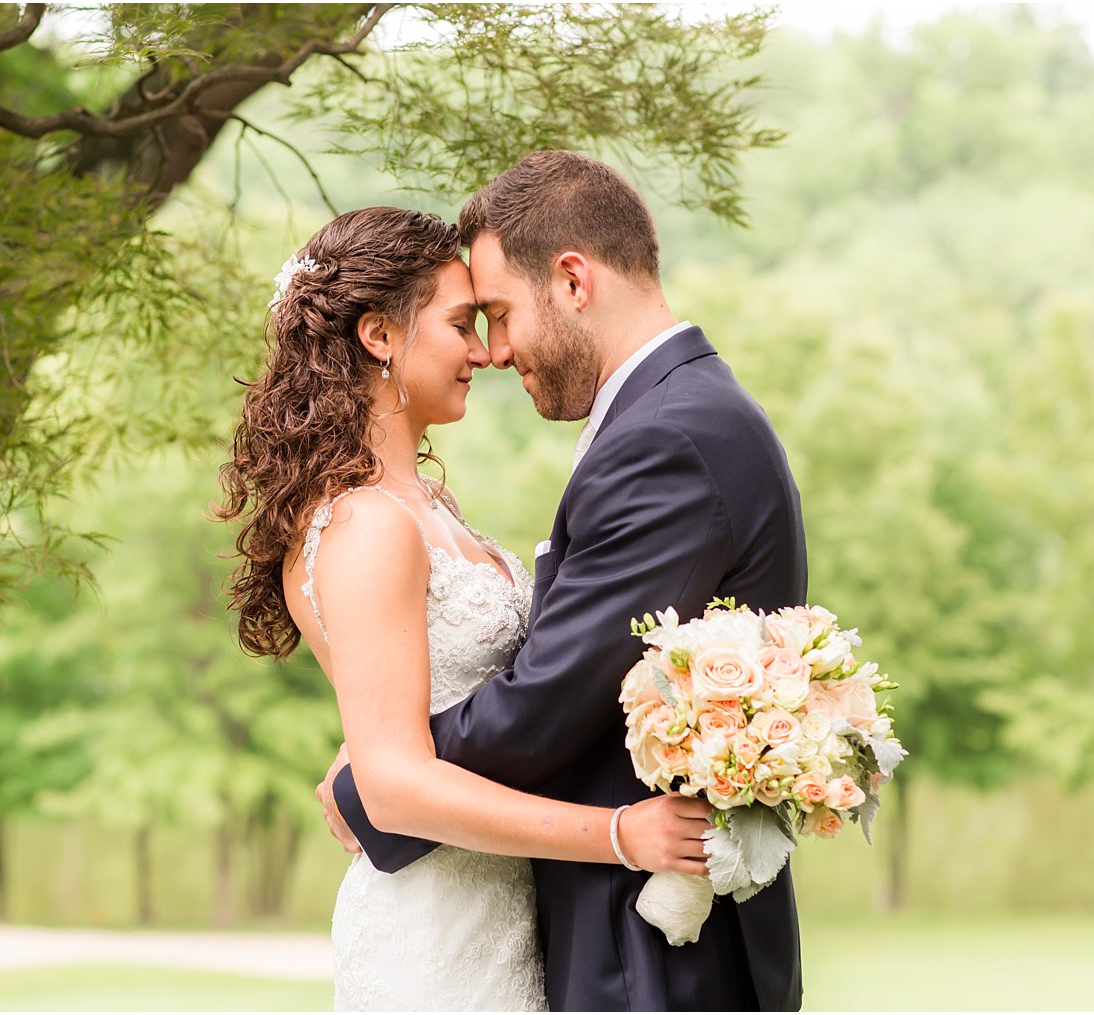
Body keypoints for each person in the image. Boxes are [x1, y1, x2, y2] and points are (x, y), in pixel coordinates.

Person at [320, 153, 807, 1011]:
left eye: (500, 315)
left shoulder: (670, 438)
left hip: (657, 950)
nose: (495, 352)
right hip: (601, 923)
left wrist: (378, 778)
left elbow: (552, 695)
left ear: (573, 280)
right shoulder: (670, 415)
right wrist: (391, 752)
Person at [217, 205, 718, 1011]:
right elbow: (395, 790)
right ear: (380, 336)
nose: (484, 352)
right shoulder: (364, 523)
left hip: (506, 910)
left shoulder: (428, 506)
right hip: (434, 933)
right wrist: (621, 834)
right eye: (460, 324)